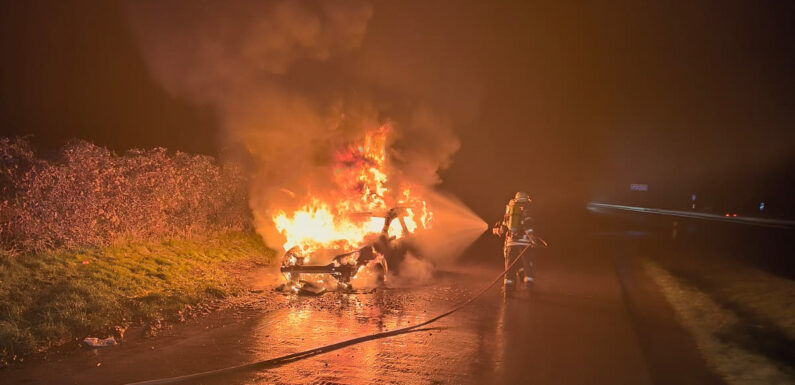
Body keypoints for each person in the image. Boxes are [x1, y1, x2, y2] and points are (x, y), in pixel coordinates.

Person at [492, 191, 538, 289]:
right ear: (526, 201)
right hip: (524, 244)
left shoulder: (509, 212)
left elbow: (502, 230)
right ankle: (530, 288)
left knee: (510, 267)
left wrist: (496, 230)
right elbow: (528, 226)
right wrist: (533, 239)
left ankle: (508, 289)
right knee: (527, 265)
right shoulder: (527, 211)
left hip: (510, 243)